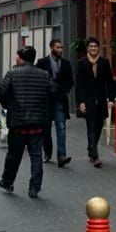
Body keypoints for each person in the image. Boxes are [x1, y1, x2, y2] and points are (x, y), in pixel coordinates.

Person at [0, 46, 54, 198]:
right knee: (36, 156)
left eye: (17, 56)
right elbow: (54, 91)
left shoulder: (12, 74)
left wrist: (8, 105)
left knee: (14, 155)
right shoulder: (44, 75)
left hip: (18, 122)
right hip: (37, 122)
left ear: (21, 58)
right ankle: (35, 187)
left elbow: (2, 91)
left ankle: (7, 181)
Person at [74, 37, 115, 167]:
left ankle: (91, 148)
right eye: (91, 46)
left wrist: (111, 98)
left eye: (95, 46)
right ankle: (95, 156)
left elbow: (109, 82)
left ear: (98, 48)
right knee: (91, 126)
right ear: (87, 48)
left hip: (101, 99)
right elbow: (79, 84)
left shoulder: (104, 62)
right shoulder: (82, 63)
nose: (93, 48)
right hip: (88, 100)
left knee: (98, 126)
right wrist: (80, 102)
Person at [37, 38, 73, 167]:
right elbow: (37, 79)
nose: (60, 50)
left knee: (61, 127)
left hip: (59, 100)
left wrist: (64, 89)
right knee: (45, 128)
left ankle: (61, 155)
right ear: (51, 48)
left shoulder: (66, 64)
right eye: (58, 47)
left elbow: (70, 80)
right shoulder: (42, 63)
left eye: (62, 48)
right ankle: (47, 152)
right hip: (46, 100)